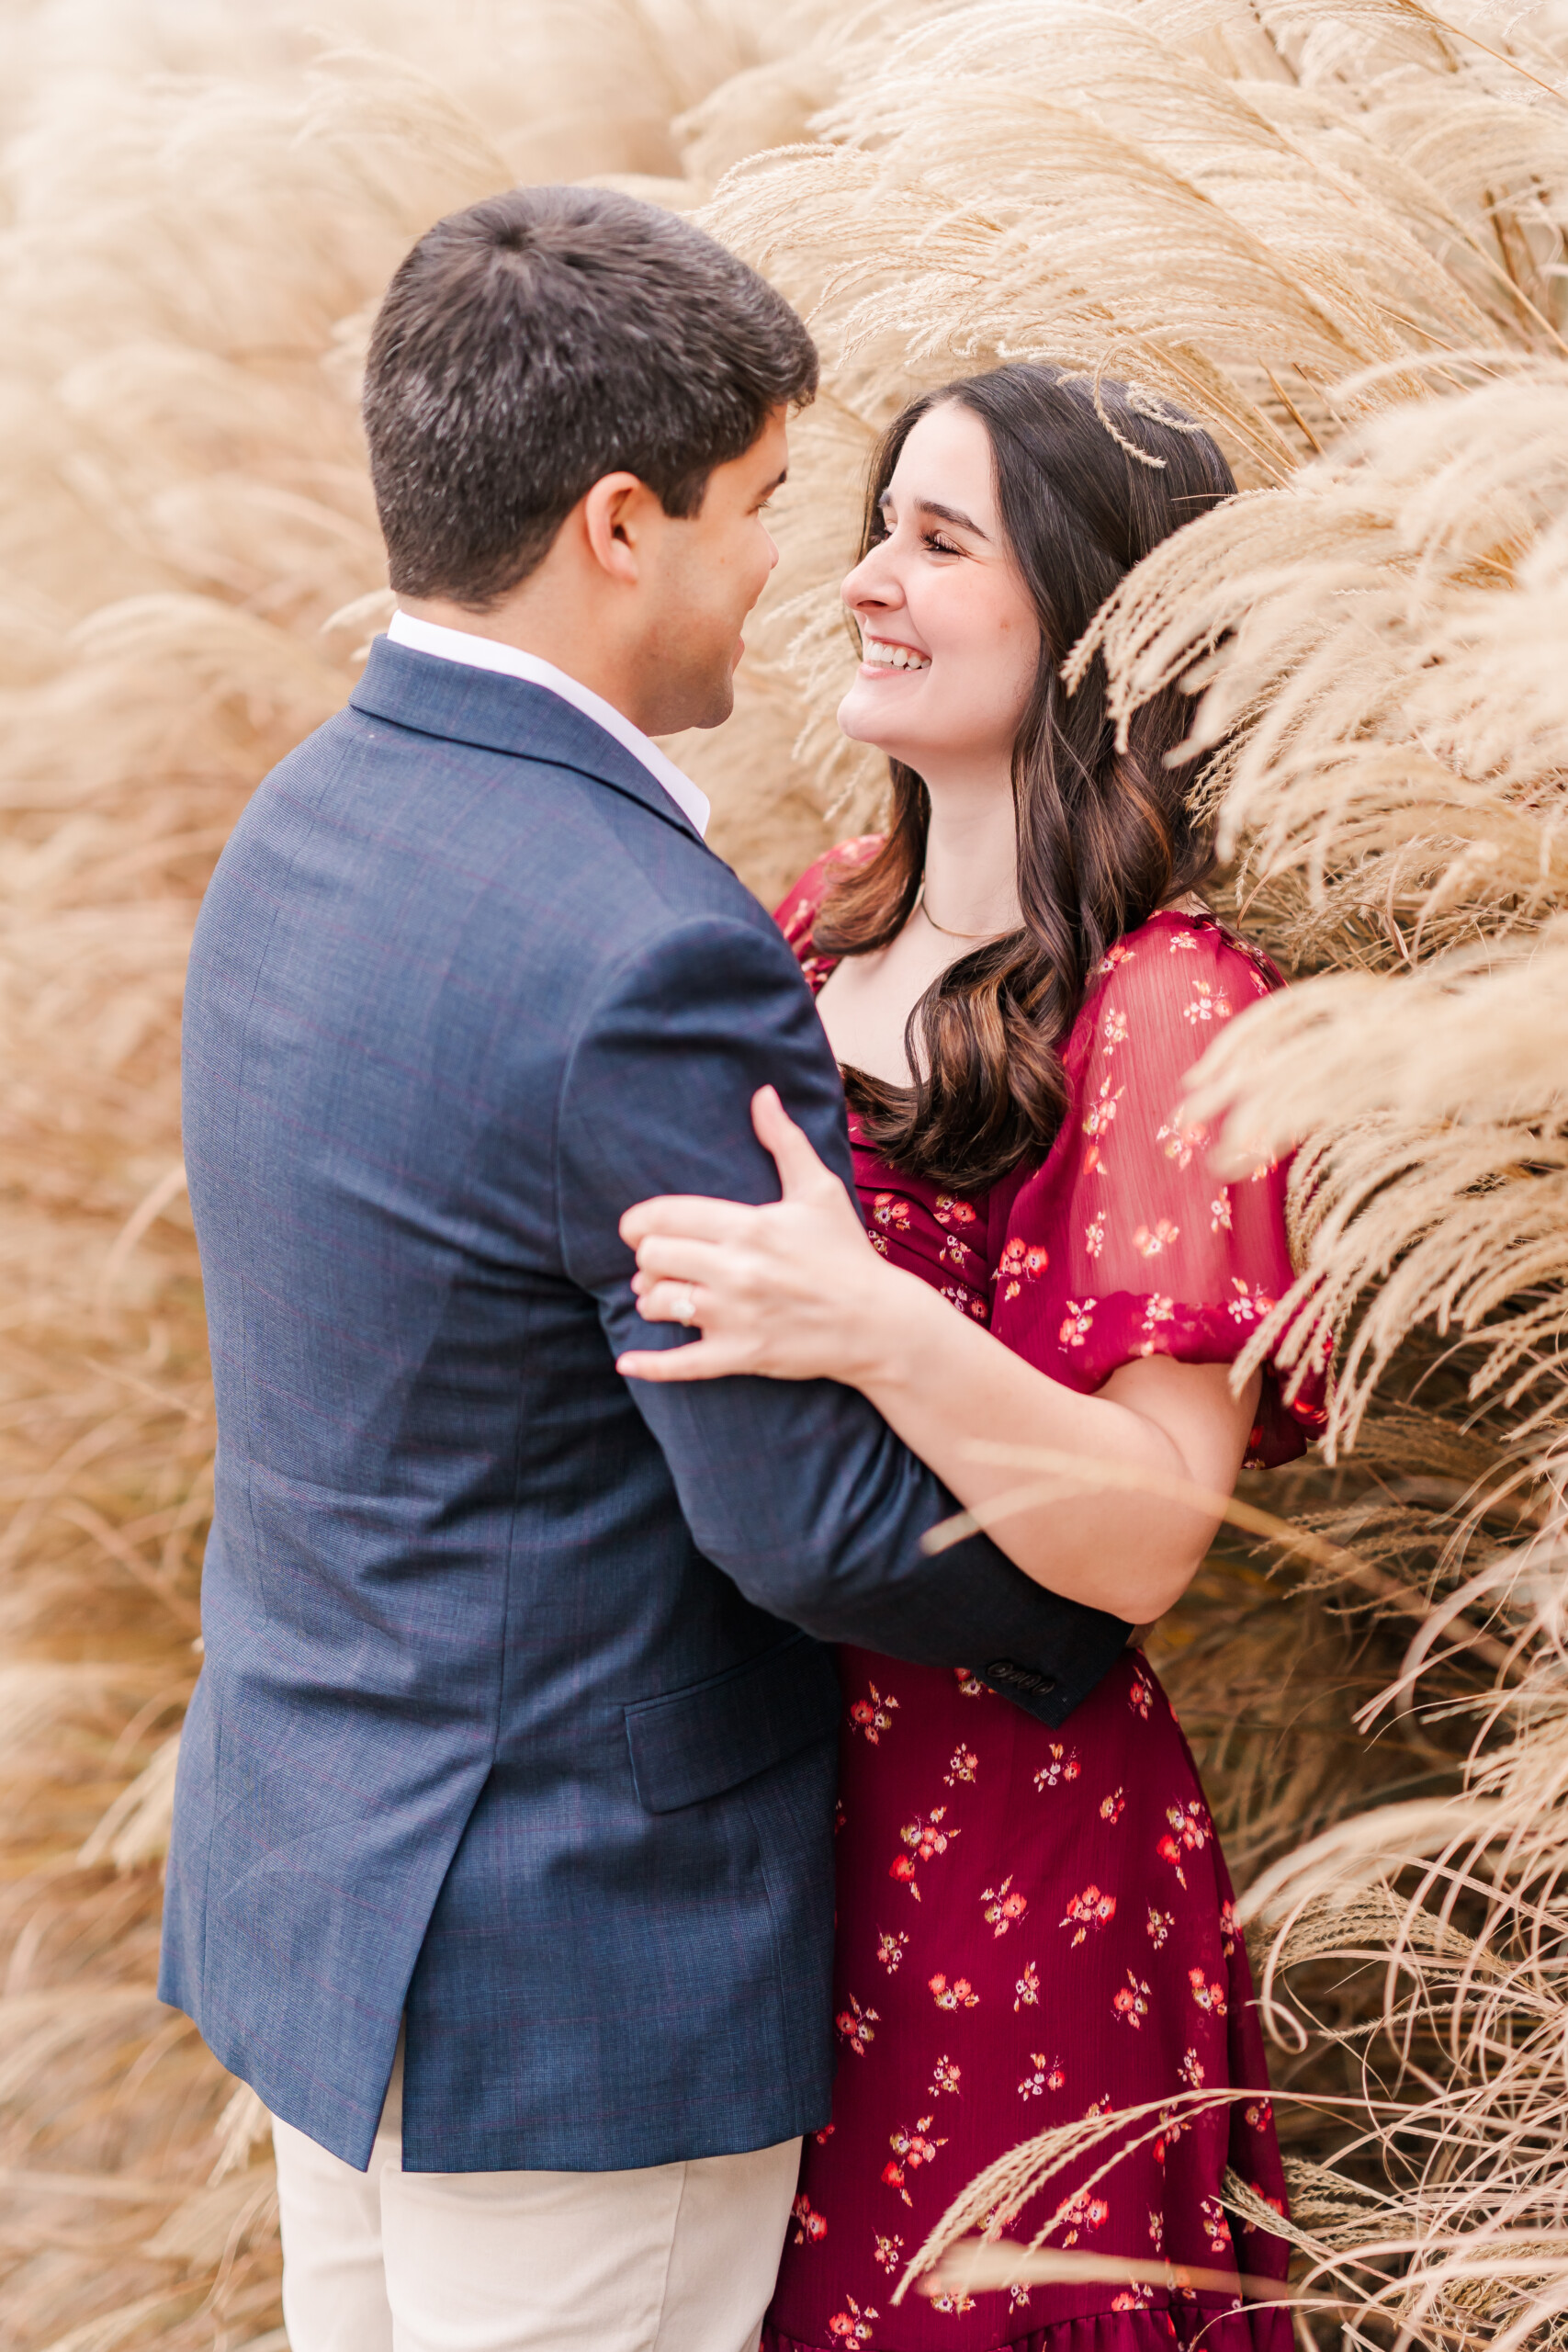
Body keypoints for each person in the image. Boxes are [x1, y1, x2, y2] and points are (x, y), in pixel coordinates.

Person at [158, 193, 1132, 2352]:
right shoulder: (646, 937)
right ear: (619, 522)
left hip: (323, 1889)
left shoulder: (299, 820)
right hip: (574, 1970)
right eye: (768, 502)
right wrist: (1111, 1583)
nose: (795, 563)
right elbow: (796, 1517)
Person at [619, 366, 1330, 2352]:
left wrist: (868, 1313)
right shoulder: (788, 934)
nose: (864, 578)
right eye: (873, 528)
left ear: (1088, 622)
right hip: (745, 1839)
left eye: (941, 543)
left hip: (998, 1859)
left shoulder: (1169, 1002)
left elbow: (1143, 1532)